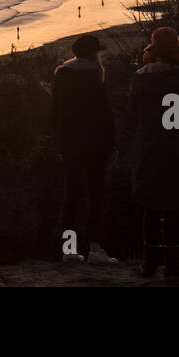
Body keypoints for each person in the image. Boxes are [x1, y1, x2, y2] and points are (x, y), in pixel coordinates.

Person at [129, 26, 179, 277]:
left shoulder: (141, 76)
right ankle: (172, 263)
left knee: (151, 205)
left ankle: (149, 262)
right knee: (173, 206)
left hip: (148, 146)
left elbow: (132, 113)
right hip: (176, 147)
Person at [51, 34, 117, 265]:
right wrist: (113, 143)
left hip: (70, 144)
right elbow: (105, 114)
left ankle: (68, 249)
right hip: (96, 144)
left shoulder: (62, 73)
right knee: (96, 197)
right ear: (94, 53)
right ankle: (95, 249)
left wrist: (57, 142)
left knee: (72, 196)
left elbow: (55, 111)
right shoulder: (95, 74)